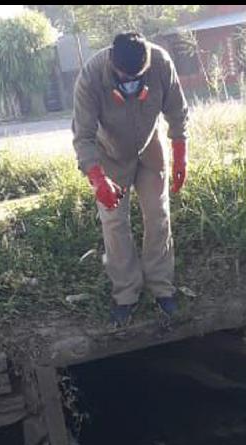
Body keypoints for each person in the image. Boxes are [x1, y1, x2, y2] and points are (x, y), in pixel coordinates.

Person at [71, 32, 189, 326]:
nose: (131, 84)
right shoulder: (91, 76)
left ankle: (162, 289)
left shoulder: (160, 62)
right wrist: (98, 179)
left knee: (158, 215)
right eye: (125, 78)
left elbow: (177, 112)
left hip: (150, 149)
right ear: (112, 62)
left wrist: (180, 153)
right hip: (109, 155)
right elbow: (82, 136)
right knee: (114, 223)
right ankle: (126, 295)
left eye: (138, 77)